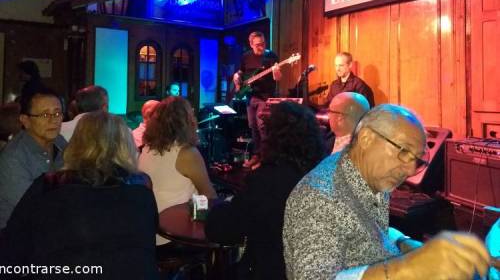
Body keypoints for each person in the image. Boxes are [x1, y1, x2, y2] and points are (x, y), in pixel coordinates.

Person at [283, 104, 491, 280]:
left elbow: (366, 228)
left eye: (417, 160)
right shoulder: (319, 197)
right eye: (403, 151)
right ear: (366, 138)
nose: (410, 170)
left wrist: (406, 243)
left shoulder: (366, 171)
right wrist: (408, 268)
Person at [0, 111, 159, 279]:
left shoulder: (49, 185)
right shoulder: (141, 187)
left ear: (77, 143)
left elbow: (13, 243)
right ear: (125, 146)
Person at [205, 102, 326, 279]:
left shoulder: (264, 180)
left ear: (273, 137)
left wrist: (219, 208)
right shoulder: (322, 176)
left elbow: (223, 230)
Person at [138, 96, 216, 246]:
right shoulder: (187, 153)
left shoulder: (146, 149)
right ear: (186, 122)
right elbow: (209, 196)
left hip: (148, 232)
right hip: (174, 236)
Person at [0, 88, 67, 229]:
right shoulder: (13, 158)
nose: (53, 120)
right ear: (25, 121)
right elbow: (34, 209)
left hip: (53, 226)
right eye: (45, 114)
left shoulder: (60, 142)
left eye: (57, 113)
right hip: (19, 233)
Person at [233, 31, 281, 169]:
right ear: (251, 44)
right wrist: (236, 78)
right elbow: (240, 72)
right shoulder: (246, 56)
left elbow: (278, 78)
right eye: (258, 45)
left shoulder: (271, 56)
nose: (261, 47)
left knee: (262, 127)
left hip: (265, 97)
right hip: (250, 96)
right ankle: (256, 155)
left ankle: (265, 158)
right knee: (253, 126)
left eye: (263, 43)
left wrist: (276, 71)